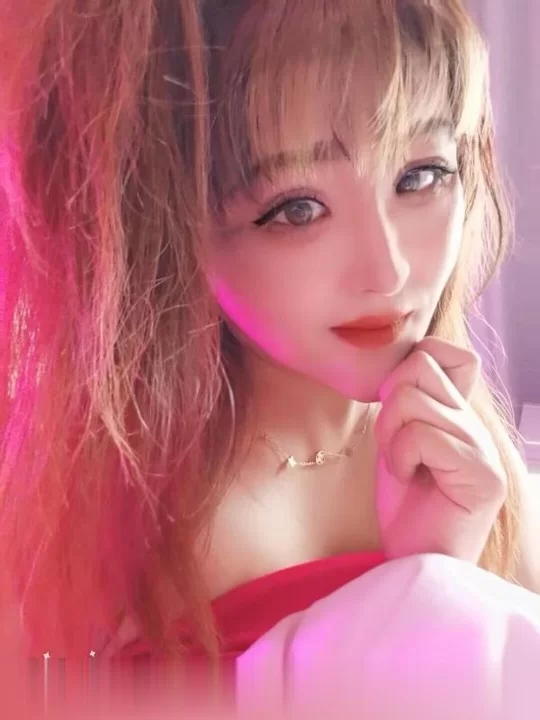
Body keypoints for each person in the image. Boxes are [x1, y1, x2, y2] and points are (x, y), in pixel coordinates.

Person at [1, 0, 539, 679]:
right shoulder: (78, 530)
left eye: (421, 175)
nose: (389, 272)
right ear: (168, 225)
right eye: (297, 209)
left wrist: (437, 580)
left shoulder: (478, 471)